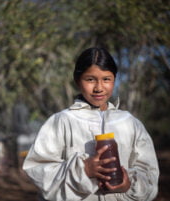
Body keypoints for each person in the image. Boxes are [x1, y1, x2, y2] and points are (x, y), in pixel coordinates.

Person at [23, 47, 159, 201]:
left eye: (106, 79)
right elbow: (38, 170)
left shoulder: (129, 123)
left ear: (114, 79)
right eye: (90, 79)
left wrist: (128, 185)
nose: (99, 87)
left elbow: (149, 172)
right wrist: (83, 170)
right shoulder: (60, 122)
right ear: (77, 81)